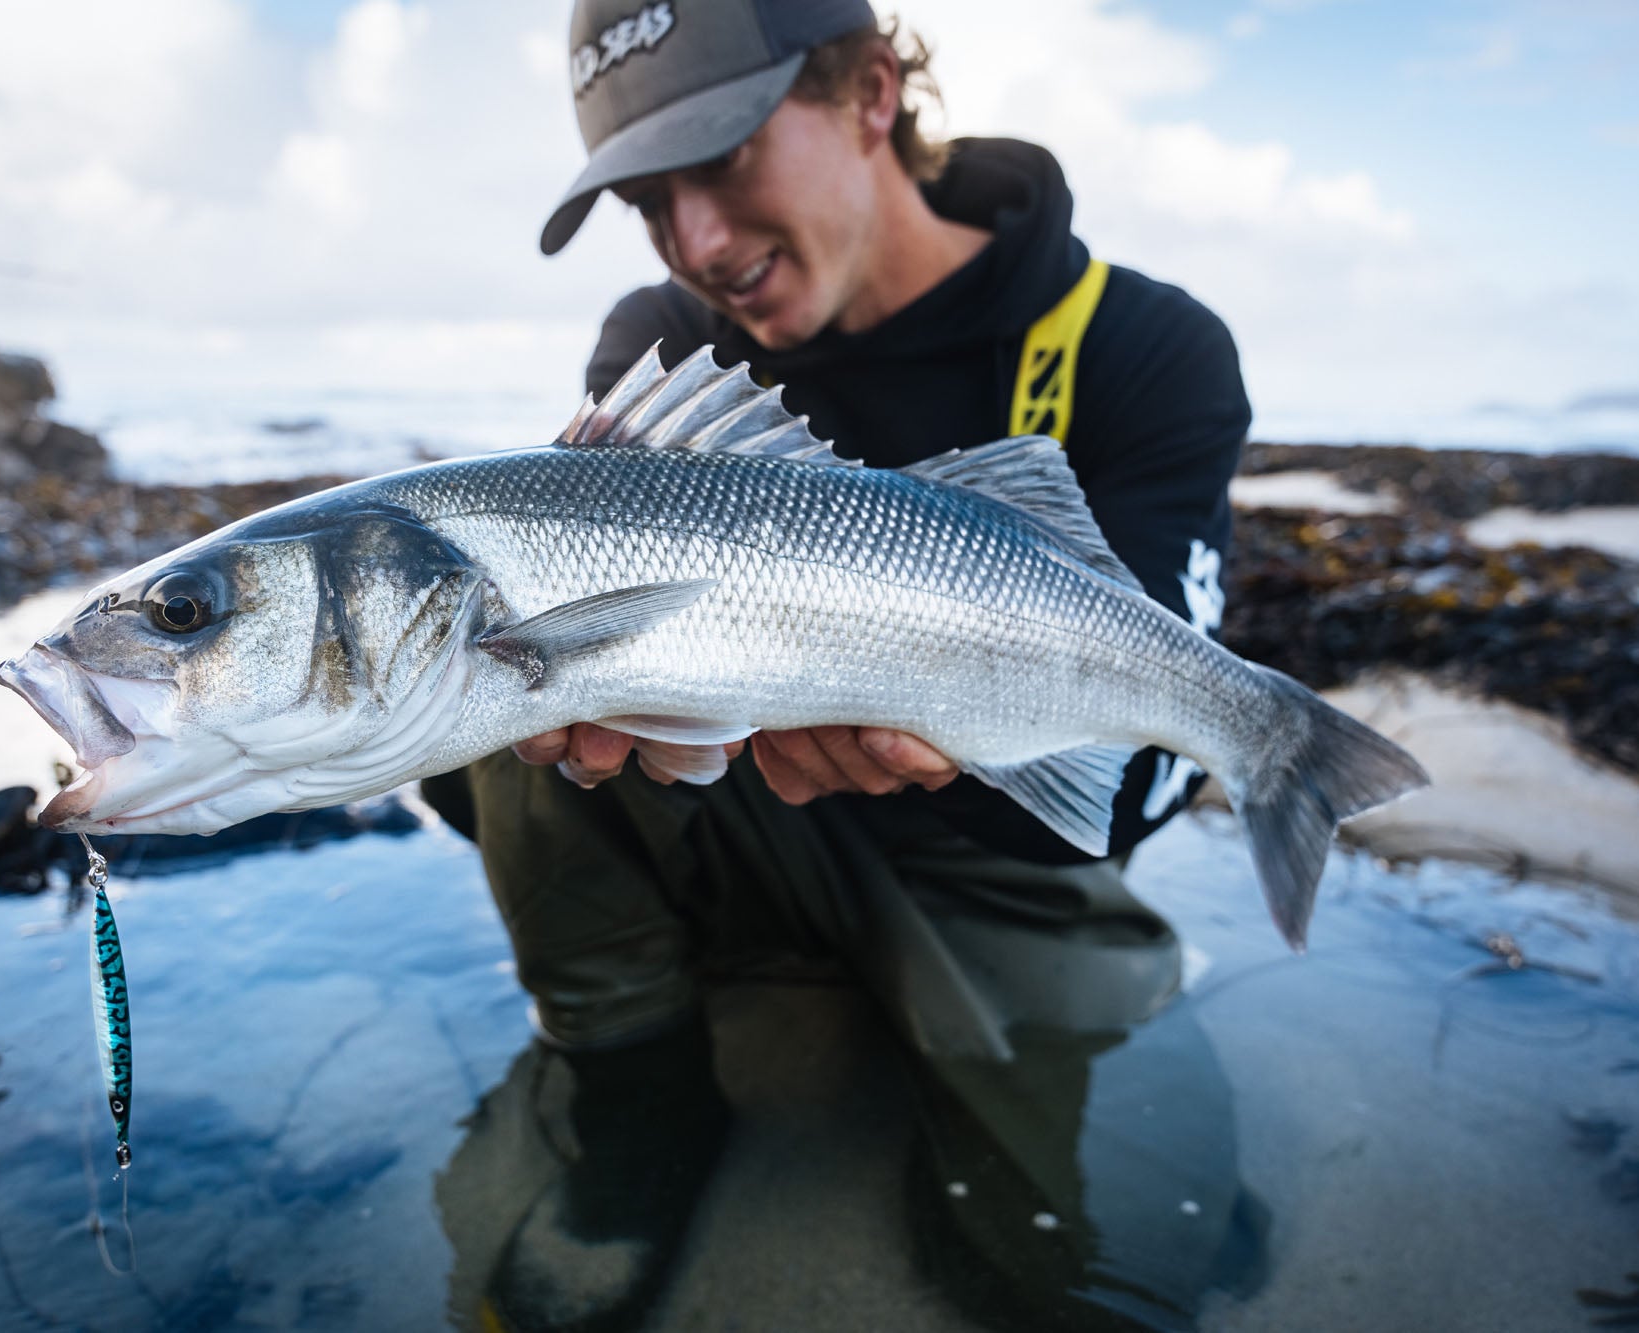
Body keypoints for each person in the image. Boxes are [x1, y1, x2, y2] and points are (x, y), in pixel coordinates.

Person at [427, 1, 1258, 1328]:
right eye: (650, 199)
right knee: (491, 646)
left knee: (1056, 1276)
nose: (696, 241)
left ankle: (962, 1068)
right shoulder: (663, 350)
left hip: (1007, 869)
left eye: (725, 157)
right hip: (742, 809)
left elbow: (1143, 778)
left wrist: (938, 730)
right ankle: (636, 1093)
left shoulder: (1141, 349)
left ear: (873, 90)